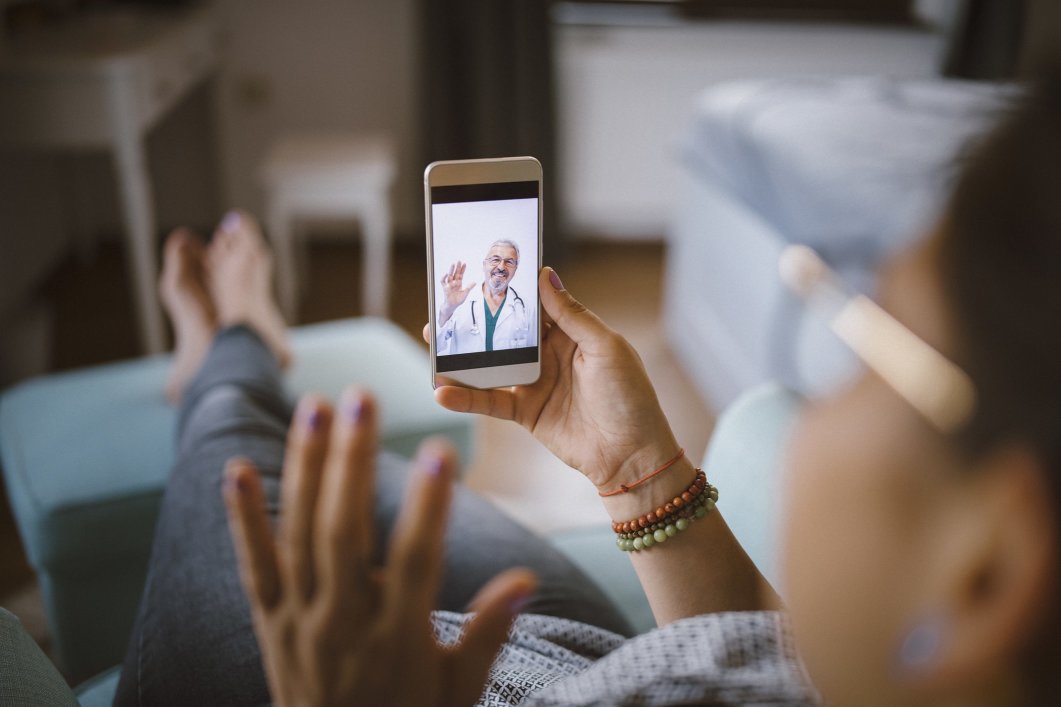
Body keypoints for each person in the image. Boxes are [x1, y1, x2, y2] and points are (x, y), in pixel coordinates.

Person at [117, 71, 1061, 707]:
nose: (823, 392)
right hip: (608, 656)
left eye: (862, 341)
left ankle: (228, 343)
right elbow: (760, 660)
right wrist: (639, 470)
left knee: (234, 454)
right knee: (353, 474)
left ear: (989, 573)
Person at [437, 240, 535, 355]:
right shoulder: (458, 303)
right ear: (484, 265)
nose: (501, 267)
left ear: (516, 268)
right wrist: (448, 308)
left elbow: (532, 355)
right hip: (467, 372)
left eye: (509, 262)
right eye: (495, 260)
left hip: (510, 373)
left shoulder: (526, 308)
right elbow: (437, 345)